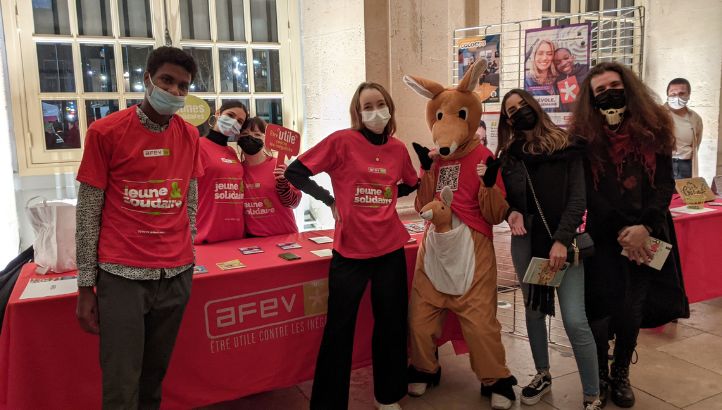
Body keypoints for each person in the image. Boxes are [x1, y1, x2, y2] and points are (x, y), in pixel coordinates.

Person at [75, 46, 201, 408]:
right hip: (122, 276)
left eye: (183, 86)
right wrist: (86, 285)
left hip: (176, 274)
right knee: (120, 383)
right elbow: (88, 211)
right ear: (147, 79)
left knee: (153, 379)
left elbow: (188, 200)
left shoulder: (190, 135)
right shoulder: (106, 132)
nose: (175, 92)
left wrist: (187, 248)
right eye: (167, 81)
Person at [285, 82, 419, 410]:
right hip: (350, 252)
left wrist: (387, 197)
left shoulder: (398, 149)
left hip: (389, 249)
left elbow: (411, 184)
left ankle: (387, 396)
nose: (375, 112)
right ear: (357, 113)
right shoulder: (342, 142)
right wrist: (330, 200)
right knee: (338, 331)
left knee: (391, 325)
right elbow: (295, 172)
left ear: (389, 107)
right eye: (367, 106)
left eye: (379, 104)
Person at [570, 62, 689, 408]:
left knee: (631, 308)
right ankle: (600, 373)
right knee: (601, 307)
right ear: (591, 100)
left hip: (648, 234)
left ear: (629, 87)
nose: (609, 93)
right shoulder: (583, 138)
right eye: (600, 90)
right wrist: (626, 229)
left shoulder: (654, 130)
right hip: (607, 235)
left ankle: (620, 371)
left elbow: (665, 184)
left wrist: (646, 227)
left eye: (614, 85)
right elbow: (590, 193)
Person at [496, 89, 601, 410]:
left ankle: (592, 393)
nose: (518, 113)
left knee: (574, 319)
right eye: (510, 111)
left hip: (563, 243)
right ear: (507, 120)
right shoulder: (509, 154)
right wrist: (508, 212)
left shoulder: (567, 145)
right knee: (533, 311)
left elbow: (578, 199)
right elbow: (502, 198)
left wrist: (561, 240)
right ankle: (542, 373)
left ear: (534, 105)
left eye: (521, 105)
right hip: (527, 242)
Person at [195, 100, 248, 244]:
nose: (233, 122)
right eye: (230, 115)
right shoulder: (197, 146)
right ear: (218, 113)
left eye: (240, 121)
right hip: (205, 233)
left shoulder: (231, 152)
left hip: (236, 233)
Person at [240, 116, 301, 236]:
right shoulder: (236, 171)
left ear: (265, 138)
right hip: (253, 241)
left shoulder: (279, 166)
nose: (251, 137)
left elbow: (293, 203)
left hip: (285, 236)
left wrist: (283, 184)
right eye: (245, 134)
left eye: (257, 134)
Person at [665, 78, 703, 179]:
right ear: (667, 95)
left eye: (682, 93)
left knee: (684, 194)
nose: (677, 97)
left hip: (686, 165)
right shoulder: (657, 114)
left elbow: (697, 142)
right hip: (663, 163)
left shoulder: (695, 118)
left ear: (689, 95)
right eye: (673, 93)